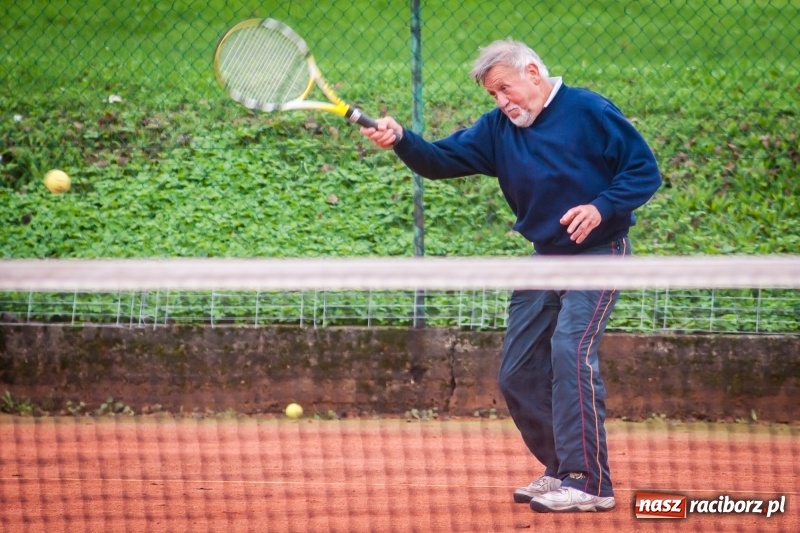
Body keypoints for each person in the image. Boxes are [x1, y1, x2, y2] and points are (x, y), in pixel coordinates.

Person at [361, 39, 661, 513]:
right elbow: (438, 161)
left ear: (534, 74)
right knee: (517, 373)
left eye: (505, 88)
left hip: (599, 253)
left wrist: (601, 207)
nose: (502, 101)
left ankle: (591, 484)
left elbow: (644, 171)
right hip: (545, 258)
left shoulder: (589, 110)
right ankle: (561, 469)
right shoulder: (498, 130)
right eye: (493, 95)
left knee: (569, 351)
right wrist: (402, 139)